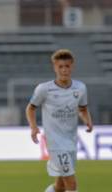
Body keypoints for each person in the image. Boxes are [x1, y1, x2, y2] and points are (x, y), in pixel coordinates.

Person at [25, 49, 93, 192]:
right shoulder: (44, 89)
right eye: (60, 66)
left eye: (67, 66)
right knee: (71, 184)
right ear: (54, 67)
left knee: (60, 186)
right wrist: (33, 127)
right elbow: (30, 108)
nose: (64, 70)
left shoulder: (80, 88)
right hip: (55, 143)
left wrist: (88, 120)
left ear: (72, 66)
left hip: (71, 141)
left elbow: (83, 109)